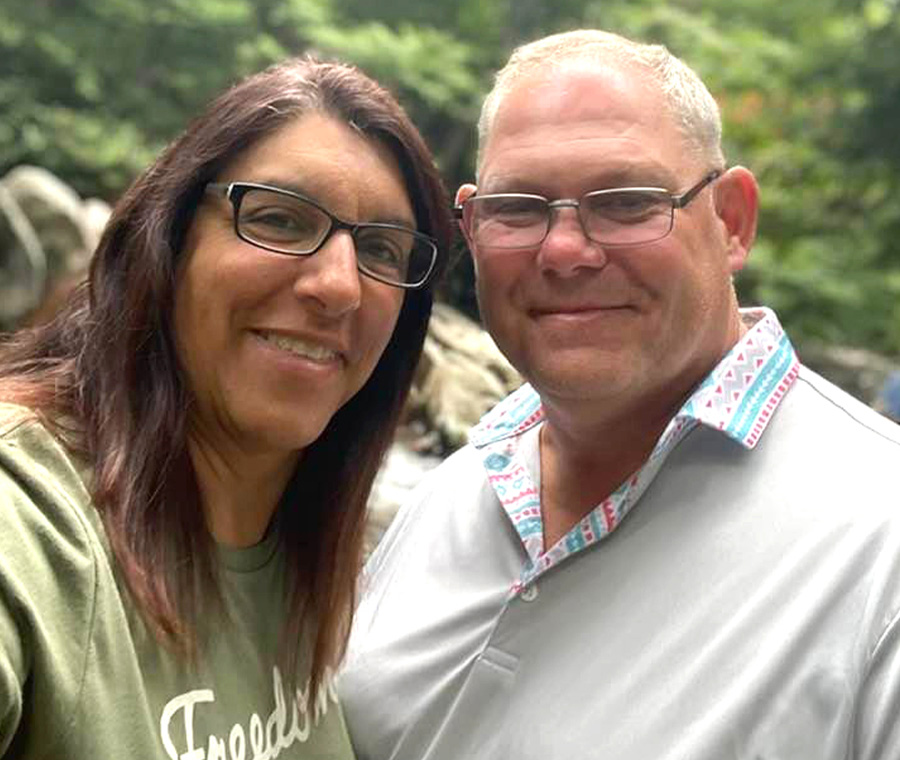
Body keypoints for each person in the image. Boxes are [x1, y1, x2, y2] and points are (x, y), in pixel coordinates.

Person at [339, 29, 900, 759]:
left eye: (626, 202)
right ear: (474, 227)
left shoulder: (879, 541)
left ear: (731, 221)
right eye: (520, 207)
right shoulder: (458, 486)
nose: (566, 250)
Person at [0, 56, 450, 759]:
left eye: (382, 250)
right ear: (168, 238)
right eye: (278, 218)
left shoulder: (322, 556)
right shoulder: (30, 518)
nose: (340, 287)